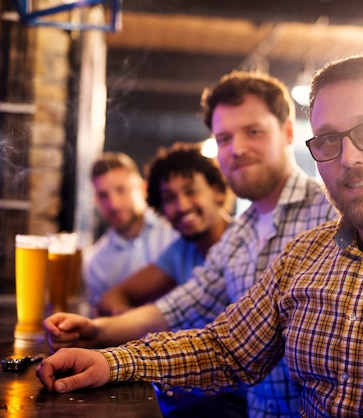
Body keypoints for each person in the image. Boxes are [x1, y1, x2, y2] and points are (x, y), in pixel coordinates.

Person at [41, 71, 338, 417]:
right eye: (224, 138)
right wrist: (96, 333)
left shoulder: (332, 214)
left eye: (253, 131)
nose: (237, 149)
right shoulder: (240, 234)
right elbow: (183, 308)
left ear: (287, 131)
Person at [96, 141, 233, 317]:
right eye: (169, 198)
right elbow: (114, 296)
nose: (182, 206)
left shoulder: (245, 240)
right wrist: (126, 321)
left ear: (217, 192)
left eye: (191, 191)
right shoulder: (182, 250)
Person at [82, 152, 179, 313]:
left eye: (121, 190)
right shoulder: (95, 264)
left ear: (142, 188)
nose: (113, 204)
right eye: (103, 195)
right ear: (96, 201)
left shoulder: (175, 231)